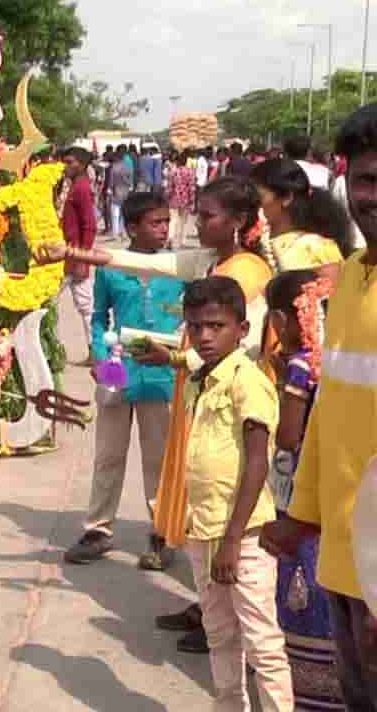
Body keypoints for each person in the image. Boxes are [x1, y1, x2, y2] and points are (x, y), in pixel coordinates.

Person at [38, 176, 278, 656]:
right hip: (191, 391)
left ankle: (228, 623)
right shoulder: (211, 260)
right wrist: (72, 252)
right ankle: (206, 606)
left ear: (236, 222)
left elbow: (234, 348)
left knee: (221, 507)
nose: (194, 222)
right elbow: (139, 261)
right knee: (195, 501)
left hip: (232, 404)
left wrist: (175, 355)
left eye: (207, 215)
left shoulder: (246, 271)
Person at [261, 103, 377, 711]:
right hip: (344, 556)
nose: (375, 196)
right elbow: (331, 413)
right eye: (367, 180)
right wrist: (300, 513)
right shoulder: (350, 278)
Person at [178, 276, 292, 711]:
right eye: (196, 327)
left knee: (261, 640)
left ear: (242, 330)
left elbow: (257, 461)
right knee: (219, 633)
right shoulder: (201, 378)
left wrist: (231, 539)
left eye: (216, 326)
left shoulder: (248, 380)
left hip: (242, 535)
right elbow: (184, 360)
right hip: (202, 529)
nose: (205, 336)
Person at [64, 192, 184, 570]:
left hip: (163, 371)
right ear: (131, 228)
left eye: (167, 221)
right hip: (119, 366)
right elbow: (100, 317)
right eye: (155, 223)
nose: (164, 229)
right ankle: (99, 528)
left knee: (158, 458)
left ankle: (163, 532)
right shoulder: (111, 267)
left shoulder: (178, 265)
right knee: (109, 453)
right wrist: (100, 355)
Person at [259, 269, 345, 708]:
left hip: (297, 490)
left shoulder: (299, 366)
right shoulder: (335, 357)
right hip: (337, 486)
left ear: (280, 319)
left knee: (298, 584)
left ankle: (303, 686)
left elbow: (289, 437)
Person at [250, 158, 351, 283]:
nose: (252, 204)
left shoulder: (318, 249)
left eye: (258, 197)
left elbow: (328, 298)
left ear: (286, 197)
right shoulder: (252, 242)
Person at [58, 147, 98, 362]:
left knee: (84, 305)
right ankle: (94, 350)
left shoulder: (81, 188)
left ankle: (95, 350)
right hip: (69, 254)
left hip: (74, 257)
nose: (66, 166)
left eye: (70, 162)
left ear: (82, 165)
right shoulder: (74, 186)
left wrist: (83, 258)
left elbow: (89, 225)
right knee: (85, 305)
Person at [167, 150, 198, 248]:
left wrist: (167, 197)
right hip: (186, 200)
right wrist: (193, 201)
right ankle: (182, 241)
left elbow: (169, 187)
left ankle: (170, 238)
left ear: (178, 162)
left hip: (174, 199)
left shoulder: (173, 172)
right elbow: (192, 188)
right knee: (183, 221)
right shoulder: (190, 172)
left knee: (173, 220)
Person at [108, 151, 133, 240]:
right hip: (125, 191)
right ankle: (123, 232)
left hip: (116, 191)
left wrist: (110, 189)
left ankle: (115, 234)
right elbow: (130, 179)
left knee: (115, 214)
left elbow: (112, 180)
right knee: (123, 213)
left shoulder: (114, 167)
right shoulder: (127, 167)